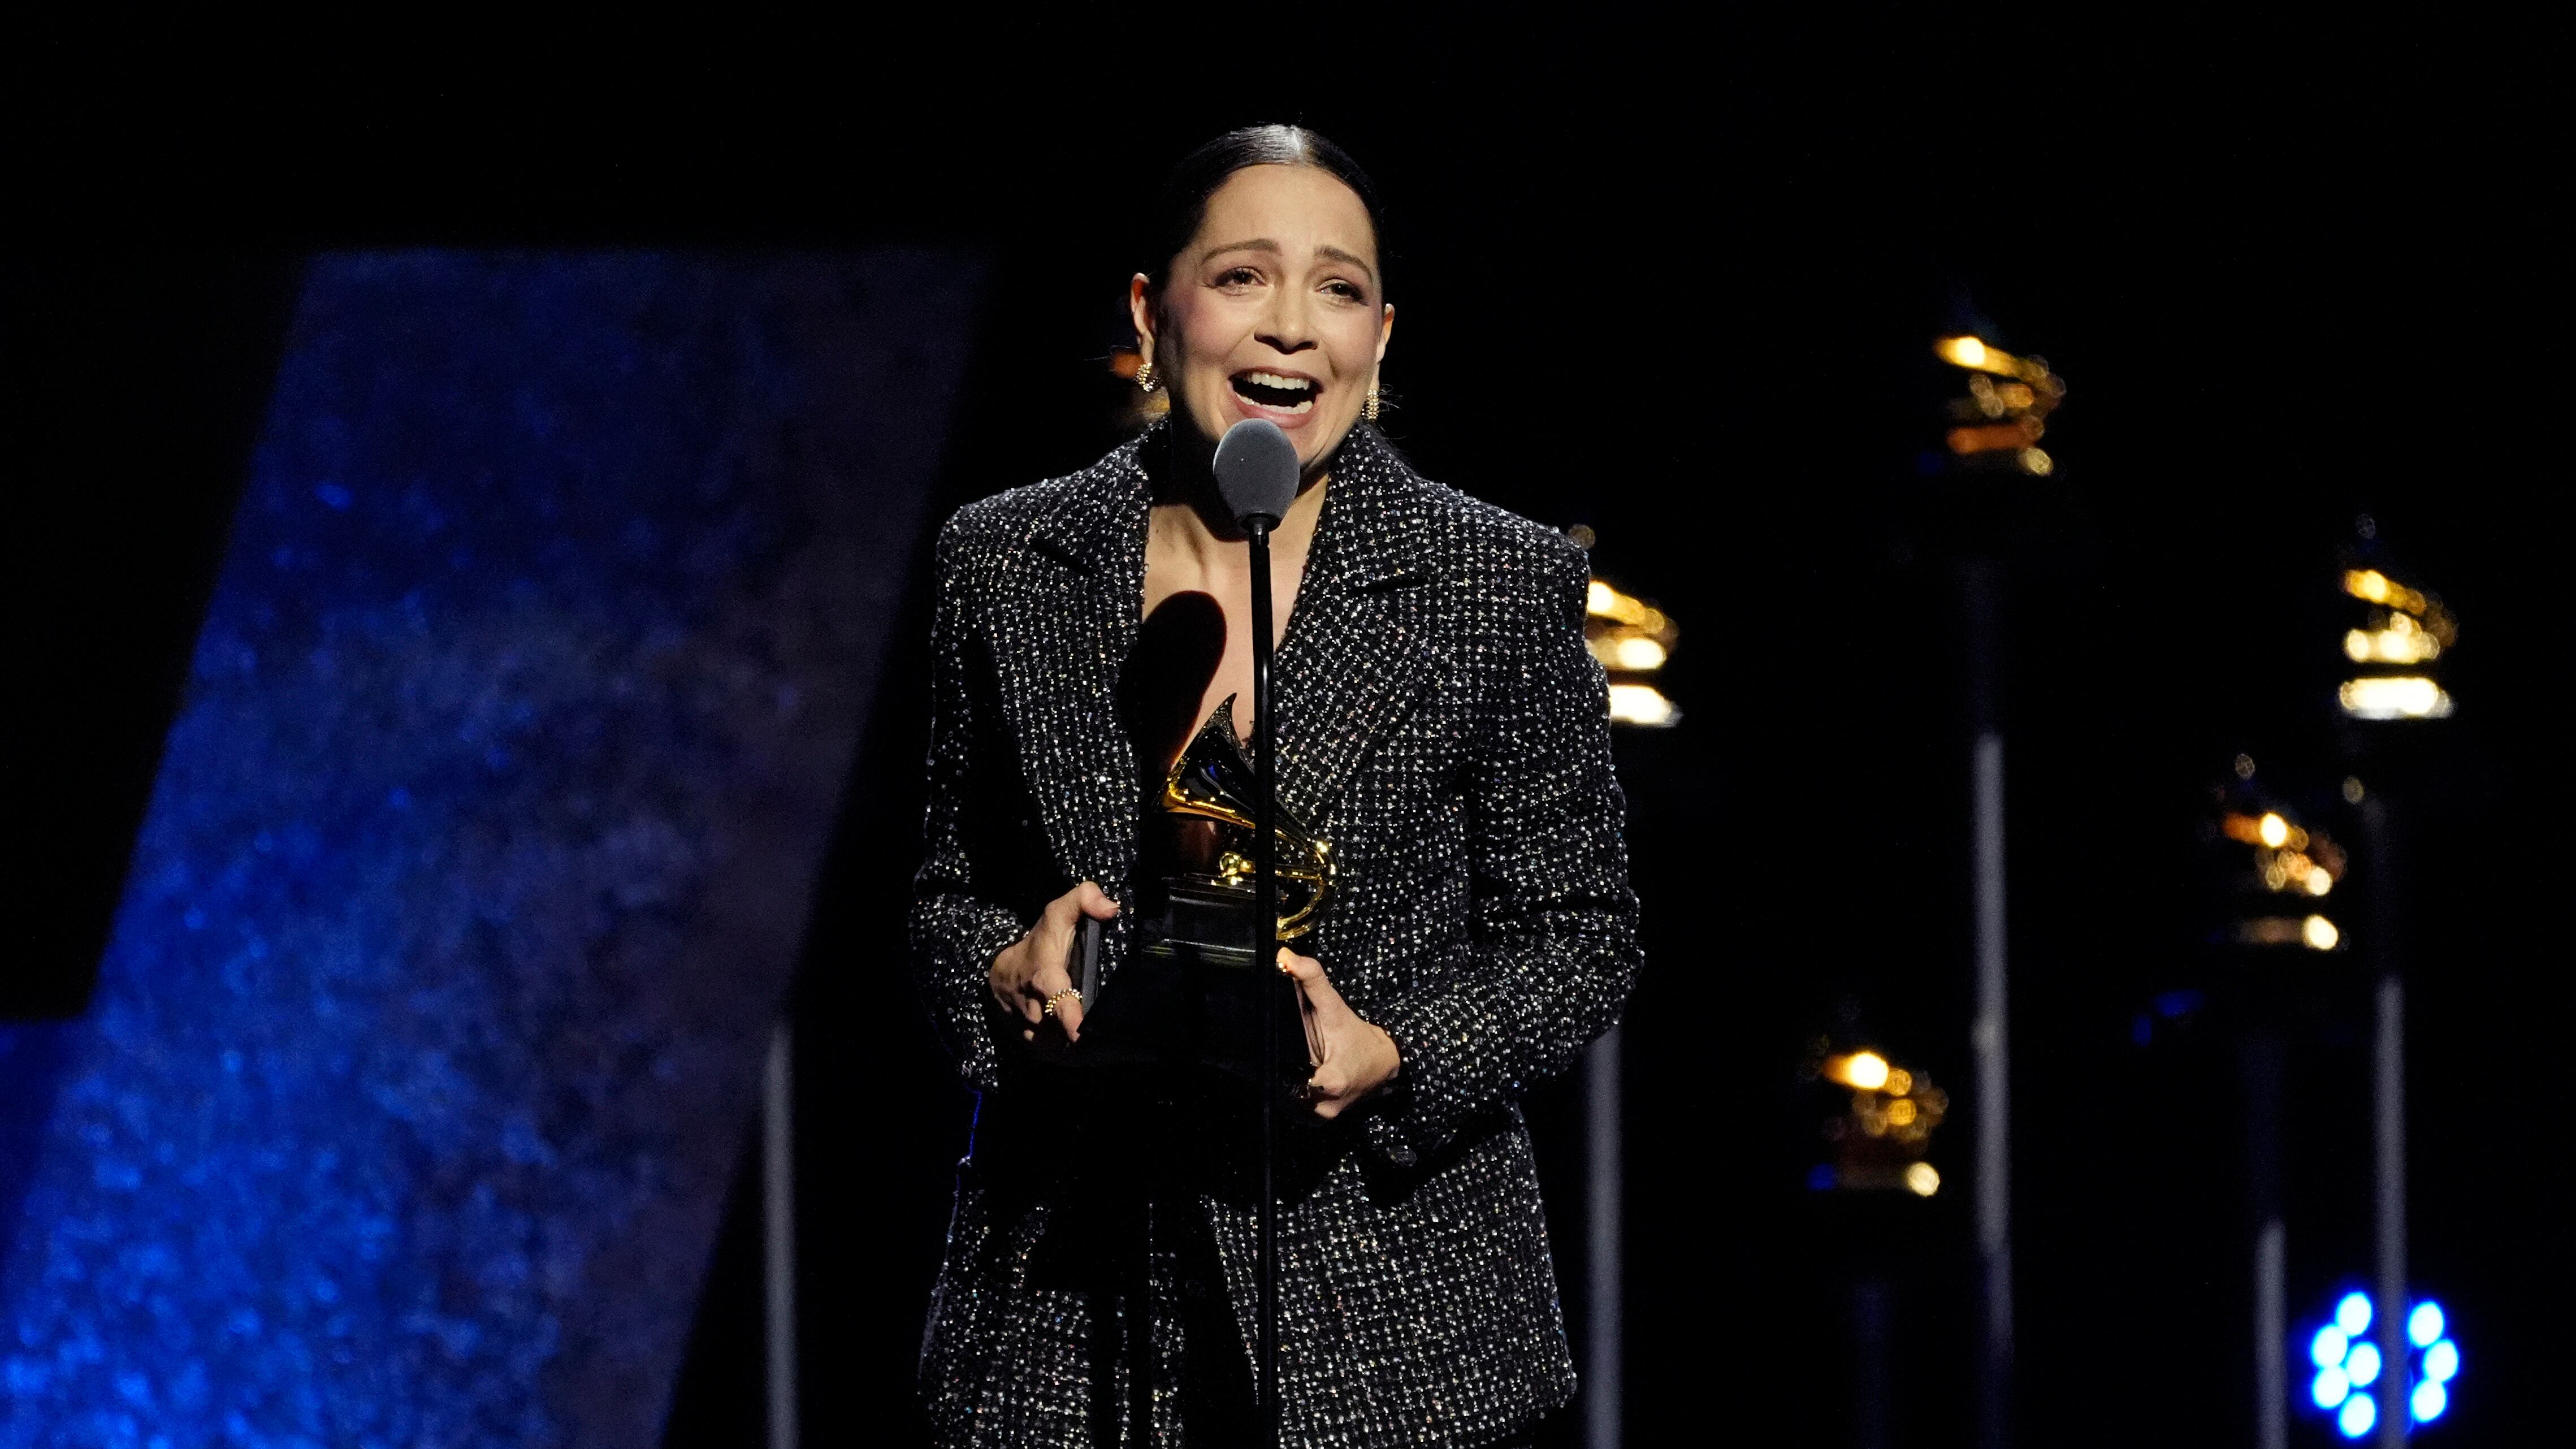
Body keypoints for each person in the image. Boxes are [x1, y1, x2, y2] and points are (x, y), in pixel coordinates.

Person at [910, 123, 1640, 1448]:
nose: (1293, 326)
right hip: (1065, 1308)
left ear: (1381, 336)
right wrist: (1003, 970)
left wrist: (1399, 1053)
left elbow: (1579, 936)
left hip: (1393, 1318)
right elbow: (944, 893)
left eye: (1339, 287)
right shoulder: (1005, 562)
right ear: (1153, 310)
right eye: (1243, 276)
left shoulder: (1498, 581)